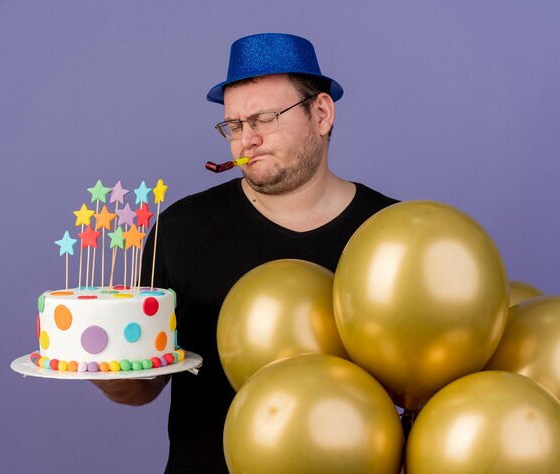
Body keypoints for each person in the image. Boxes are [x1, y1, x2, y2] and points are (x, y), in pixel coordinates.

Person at [93, 32, 399, 473]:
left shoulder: (392, 238)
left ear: (321, 113)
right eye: (234, 126)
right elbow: (143, 388)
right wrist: (102, 362)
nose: (246, 140)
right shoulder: (181, 230)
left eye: (265, 118)